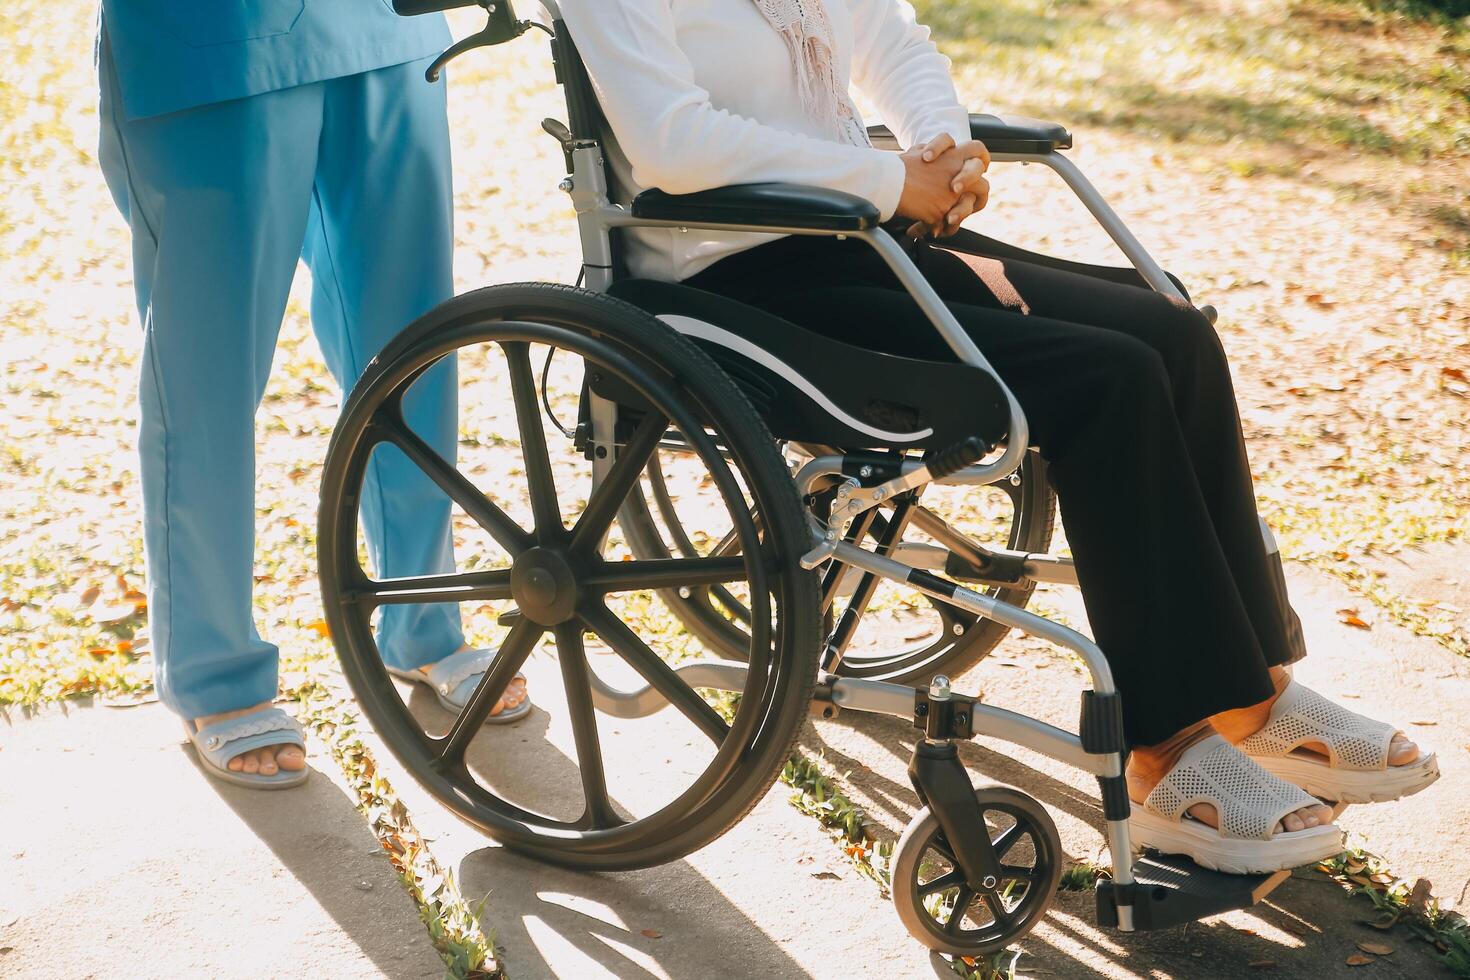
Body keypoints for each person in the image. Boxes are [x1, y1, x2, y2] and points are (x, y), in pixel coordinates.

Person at [556, 0, 1438, 872]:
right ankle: (1166, 748)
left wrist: (940, 146)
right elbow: (672, 141)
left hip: (864, 240)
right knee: (1106, 378)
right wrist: (892, 180)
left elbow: (892, 39)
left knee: (1174, 333)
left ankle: (1257, 698)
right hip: (735, 278)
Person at [96, 0, 529, 790]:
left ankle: (425, 620)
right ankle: (215, 675)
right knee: (208, 375)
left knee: (415, 349)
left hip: (391, 26)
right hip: (216, 43)